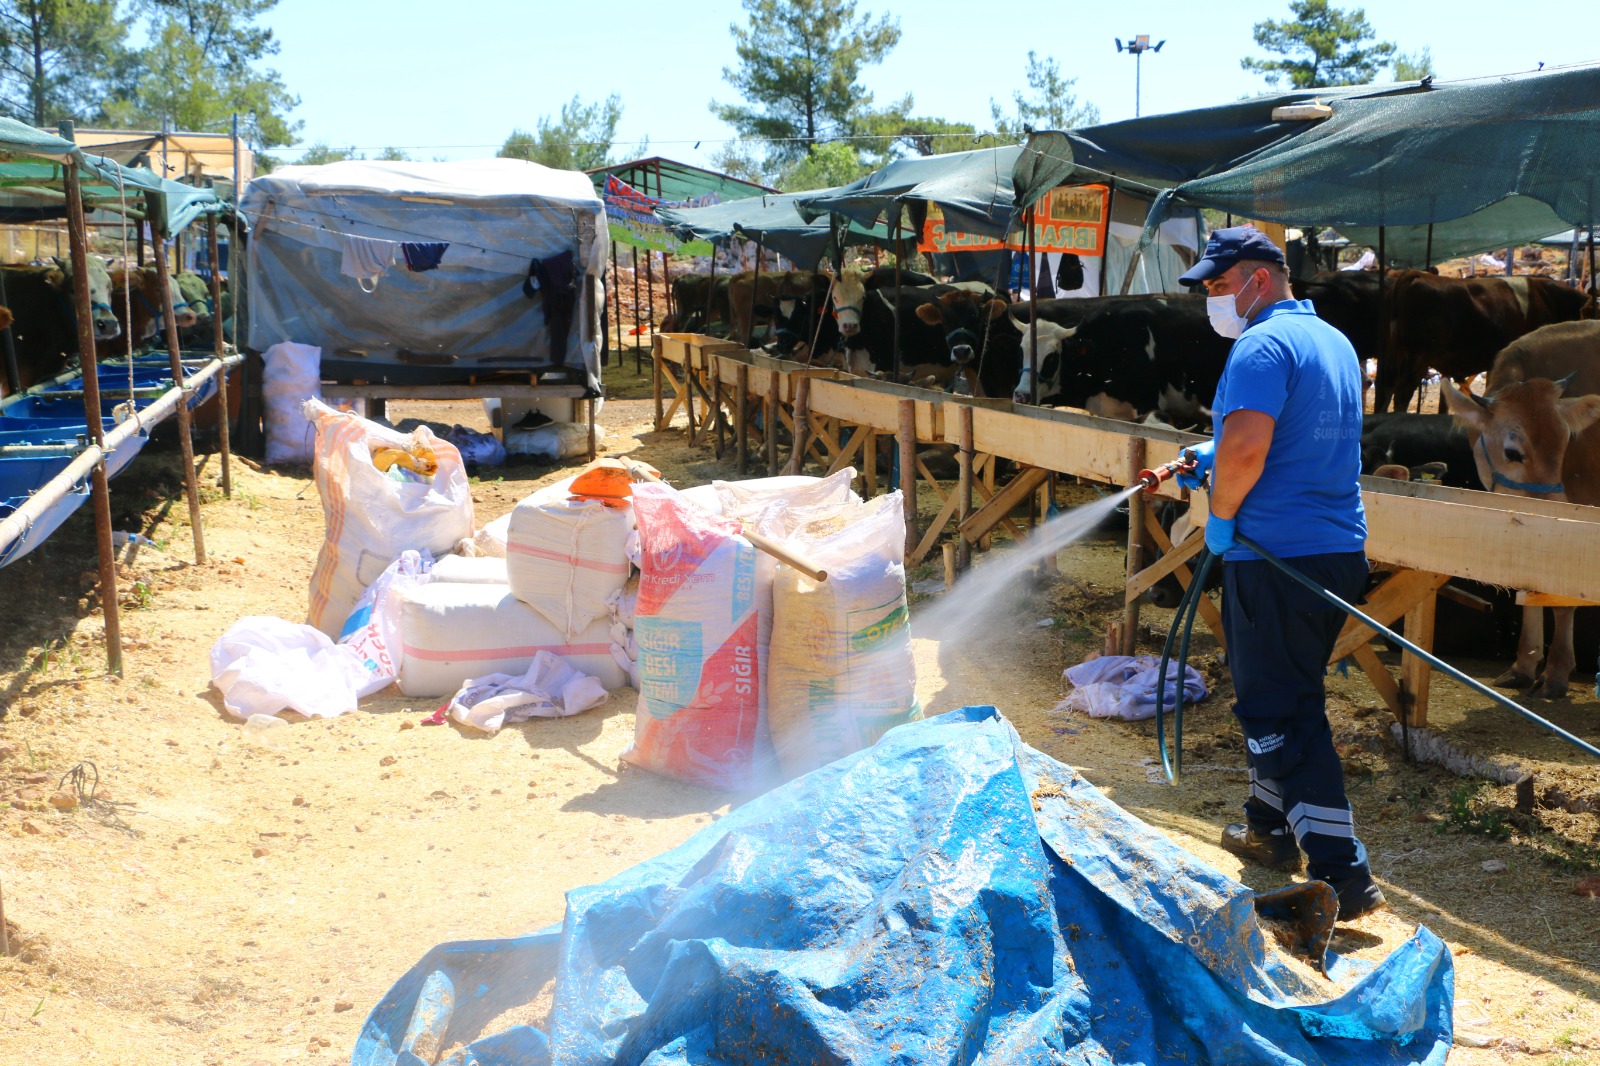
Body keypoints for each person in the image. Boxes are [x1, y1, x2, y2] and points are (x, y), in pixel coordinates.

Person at [1176, 225, 1385, 921]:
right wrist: (1213, 450)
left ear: (1257, 280)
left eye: (1217, 286)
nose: (1213, 300)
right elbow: (1294, 431)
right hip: (1335, 549)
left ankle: (1340, 878)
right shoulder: (1333, 342)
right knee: (1282, 689)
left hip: (1275, 557)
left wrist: (1221, 514)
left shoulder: (1259, 344)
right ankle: (1268, 829)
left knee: (1279, 709)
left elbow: (1246, 451)